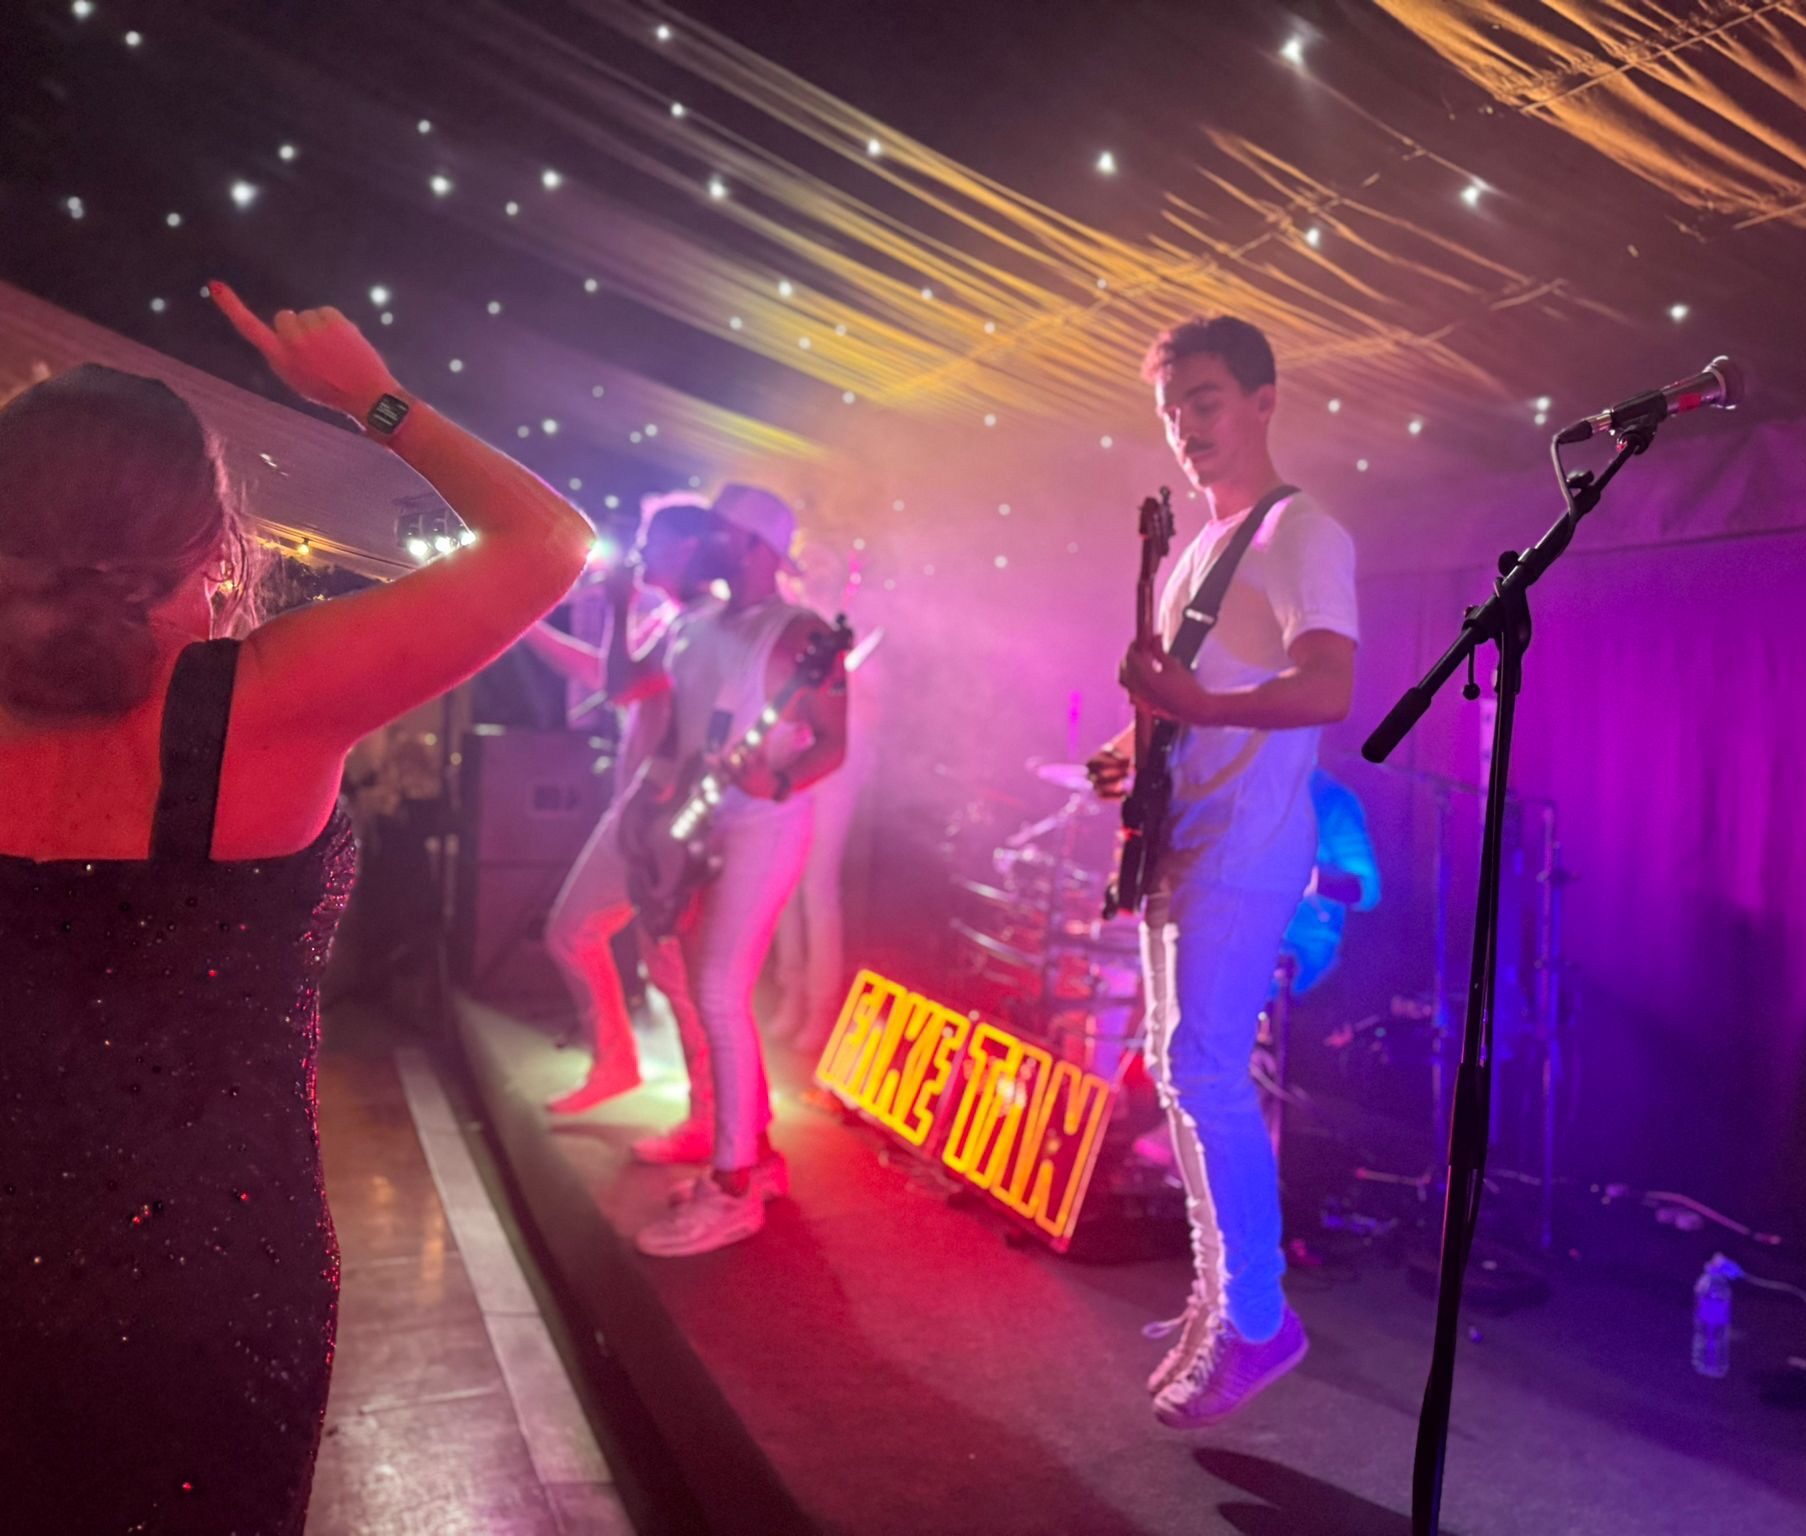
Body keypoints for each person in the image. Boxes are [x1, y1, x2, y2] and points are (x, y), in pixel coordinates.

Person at [0, 286, 592, 1533]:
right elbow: (548, 544)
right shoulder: (268, 702)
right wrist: (366, 394)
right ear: (215, 542)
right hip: (212, 1275)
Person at [1088, 315, 1358, 1428]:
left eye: (1204, 402)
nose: (1185, 428)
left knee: (1202, 1071)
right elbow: (1187, 698)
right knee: (1181, 1070)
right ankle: (1221, 1293)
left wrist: (1196, 705)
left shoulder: (1303, 531)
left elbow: (1329, 685)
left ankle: (1255, 1317)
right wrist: (1130, 746)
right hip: (1186, 839)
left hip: (1246, 845)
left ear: (1263, 401)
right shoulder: (1202, 548)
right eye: (1171, 411)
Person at [630, 486, 849, 1257]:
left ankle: (731, 1190)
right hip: (705, 826)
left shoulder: (801, 634)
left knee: (721, 992)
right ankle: (757, 1157)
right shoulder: (703, 623)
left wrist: (778, 783)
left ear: (757, 545)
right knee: (708, 989)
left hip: (766, 827)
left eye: (720, 530)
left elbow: (835, 743)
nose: (705, 540)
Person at [522, 496, 720, 1162]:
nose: (638, 552)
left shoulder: (704, 624)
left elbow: (618, 684)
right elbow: (609, 674)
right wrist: (531, 626)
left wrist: (612, 606)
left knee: (674, 972)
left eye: (651, 539)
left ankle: (710, 1120)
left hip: (668, 818)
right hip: (637, 810)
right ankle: (616, 1064)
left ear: (688, 549)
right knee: (573, 931)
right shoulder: (672, 618)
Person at [769, 537, 877, 1056]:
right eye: (807, 559)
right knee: (785, 882)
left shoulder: (856, 629)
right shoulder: (785, 621)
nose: (812, 569)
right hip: (790, 754)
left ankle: (820, 1007)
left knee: (816, 884)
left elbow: (868, 709)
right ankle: (792, 994)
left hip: (836, 765)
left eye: (824, 562)